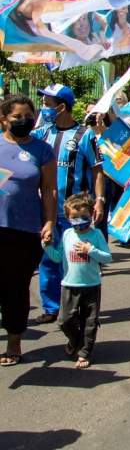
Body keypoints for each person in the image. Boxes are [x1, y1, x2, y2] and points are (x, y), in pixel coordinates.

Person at [32, 83, 105, 325]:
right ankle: (51, 307)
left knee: (74, 260)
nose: (44, 108)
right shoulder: (42, 133)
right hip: (46, 209)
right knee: (48, 258)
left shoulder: (84, 135)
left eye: (48, 104)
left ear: (62, 106)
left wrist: (100, 200)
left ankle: (74, 307)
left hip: (74, 210)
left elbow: (97, 170)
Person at [0, 95, 56, 366]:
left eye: (27, 117)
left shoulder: (42, 150)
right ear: (3, 120)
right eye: (16, 117)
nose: (23, 122)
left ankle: (14, 340)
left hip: (24, 230)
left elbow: (48, 189)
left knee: (16, 286)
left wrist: (50, 221)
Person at [42, 193, 112, 369]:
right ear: (67, 217)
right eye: (74, 217)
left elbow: (107, 258)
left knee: (90, 321)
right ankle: (75, 340)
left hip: (91, 285)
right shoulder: (67, 234)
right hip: (69, 285)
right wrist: (47, 246)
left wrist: (91, 250)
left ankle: (84, 352)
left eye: (84, 217)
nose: (79, 221)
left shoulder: (96, 235)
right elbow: (58, 258)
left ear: (91, 215)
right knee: (65, 320)